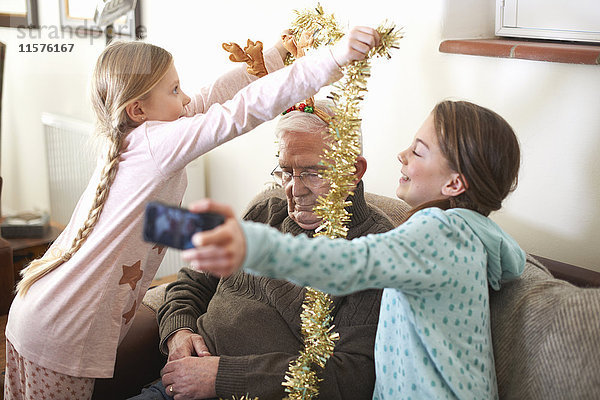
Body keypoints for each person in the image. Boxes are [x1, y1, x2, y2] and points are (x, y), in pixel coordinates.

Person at [3, 27, 381, 400]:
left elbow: (213, 96)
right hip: (61, 333)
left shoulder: (138, 136)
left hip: (39, 316)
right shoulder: (159, 145)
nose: (186, 99)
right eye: (174, 90)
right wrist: (332, 59)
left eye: (312, 171)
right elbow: (240, 111)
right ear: (138, 109)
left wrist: (276, 55)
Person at [182, 100, 526, 400]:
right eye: (287, 172)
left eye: (418, 151)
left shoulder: (438, 234)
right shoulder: (472, 238)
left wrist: (249, 245)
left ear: (454, 183)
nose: (401, 155)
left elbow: (345, 264)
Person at [131, 99, 396, 400]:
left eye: (313, 173)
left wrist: (221, 377)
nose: (294, 190)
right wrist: (179, 333)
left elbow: (352, 375)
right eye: (286, 171)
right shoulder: (266, 211)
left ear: (353, 171)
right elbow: (192, 282)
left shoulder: (377, 249)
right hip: (179, 385)